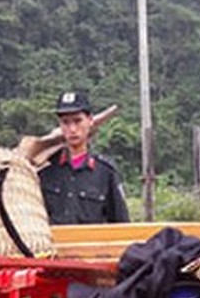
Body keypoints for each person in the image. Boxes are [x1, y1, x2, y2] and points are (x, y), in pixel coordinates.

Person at [37, 91, 131, 224]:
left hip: (94, 244)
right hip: (52, 244)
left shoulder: (105, 172)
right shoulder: (44, 169)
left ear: (90, 121)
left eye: (78, 121)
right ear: (60, 125)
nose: (72, 129)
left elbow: (121, 223)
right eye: (66, 122)